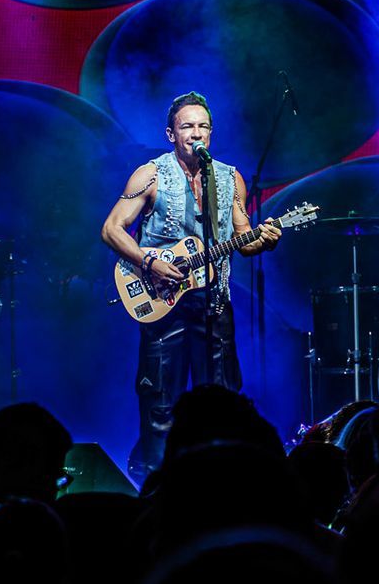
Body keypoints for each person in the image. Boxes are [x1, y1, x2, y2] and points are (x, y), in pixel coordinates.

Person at [100, 92, 281, 481]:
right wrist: (150, 261)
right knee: (160, 402)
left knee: (223, 400)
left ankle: (221, 484)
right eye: (187, 126)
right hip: (162, 301)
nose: (195, 133)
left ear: (211, 132)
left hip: (214, 303)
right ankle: (158, 487)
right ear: (171, 133)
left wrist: (264, 238)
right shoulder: (149, 174)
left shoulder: (229, 178)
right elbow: (112, 228)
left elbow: (243, 238)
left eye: (202, 126)